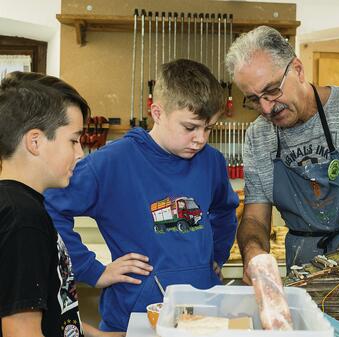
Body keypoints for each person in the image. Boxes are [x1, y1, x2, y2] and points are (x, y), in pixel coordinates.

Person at [44, 59, 239, 332]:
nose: (201, 139)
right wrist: (91, 270)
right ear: (157, 112)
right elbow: (48, 208)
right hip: (134, 317)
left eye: (209, 128)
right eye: (190, 127)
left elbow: (225, 210)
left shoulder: (212, 162)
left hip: (202, 313)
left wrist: (216, 256)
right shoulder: (110, 163)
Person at [225, 26, 339, 281]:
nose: (266, 108)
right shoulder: (259, 136)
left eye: (272, 91)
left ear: (298, 70)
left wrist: (331, 277)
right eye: (254, 100)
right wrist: (254, 255)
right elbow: (255, 217)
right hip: (305, 264)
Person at [0, 72, 123, 336]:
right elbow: (22, 330)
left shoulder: (23, 206)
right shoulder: (23, 218)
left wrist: (100, 335)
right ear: (35, 142)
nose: (80, 153)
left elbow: (53, 310)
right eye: (73, 140)